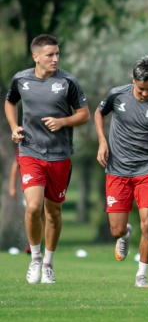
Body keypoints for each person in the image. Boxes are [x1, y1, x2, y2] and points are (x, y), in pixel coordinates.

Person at [5, 34, 90, 284]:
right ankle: (35, 259)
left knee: (53, 212)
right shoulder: (21, 79)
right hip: (30, 152)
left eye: (57, 54)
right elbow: (10, 102)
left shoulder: (68, 82)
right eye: (50, 55)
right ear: (36, 57)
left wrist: (63, 121)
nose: (55, 59)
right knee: (33, 207)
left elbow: (84, 114)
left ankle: (50, 265)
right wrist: (14, 126)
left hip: (60, 155)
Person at [95, 56, 148, 288]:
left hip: (146, 169)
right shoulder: (116, 95)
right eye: (141, 89)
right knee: (116, 229)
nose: (145, 94)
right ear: (133, 80)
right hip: (117, 170)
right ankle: (124, 235)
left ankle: (142, 275)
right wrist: (102, 141)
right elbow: (99, 113)